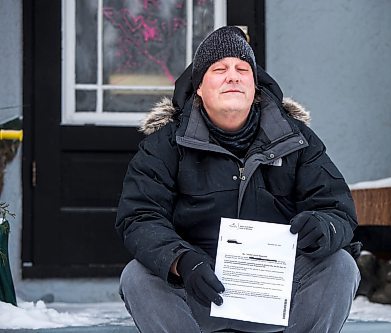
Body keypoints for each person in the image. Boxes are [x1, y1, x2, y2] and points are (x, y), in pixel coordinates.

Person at [116, 26, 360, 333]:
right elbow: (139, 217)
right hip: (199, 290)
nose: (233, 76)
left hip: (277, 292)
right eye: (219, 69)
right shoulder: (165, 145)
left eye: (242, 69)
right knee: (137, 276)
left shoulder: (297, 140)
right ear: (199, 88)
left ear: (255, 86)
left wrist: (324, 227)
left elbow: (338, 210)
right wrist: (182, 261)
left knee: (340, 265)